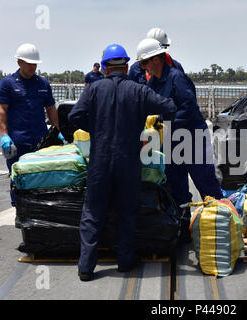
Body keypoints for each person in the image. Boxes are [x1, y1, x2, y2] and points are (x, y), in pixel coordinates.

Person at [68, 43, 177, 281]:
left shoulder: (94, 89)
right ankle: (125, 262)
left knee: (93, 212)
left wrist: (96, 129)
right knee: (127, 211)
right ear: (126, 66)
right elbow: (169, 107)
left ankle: (86, 267)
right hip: (128, 160)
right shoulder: (138, 90)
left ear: (105, 67)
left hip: (100, 161)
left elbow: (74, 116)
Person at [136, 38, 223, 243]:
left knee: (206, 185)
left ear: (156, 59)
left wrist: (165, 124)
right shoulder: (152, 83)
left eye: (144, 63)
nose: (143, 68)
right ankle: (183, 231)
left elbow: (188, 108)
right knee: (176, 189)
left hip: (192, 139)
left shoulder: (177, 78)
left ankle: (221, 227)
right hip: (171, 142)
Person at [0, 43, 61, 206]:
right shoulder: (7, 84)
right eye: (29, 63)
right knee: (17, 179)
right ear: (19, 62)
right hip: (17, 142)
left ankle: (37, 212)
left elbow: (51, 108)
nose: (33, 67)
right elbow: (2, 110)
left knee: (40, 179)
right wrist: (4, 135)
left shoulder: (43, 84)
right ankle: (19, 211)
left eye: (35, 64)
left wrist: (57, 130)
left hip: (40, 141)